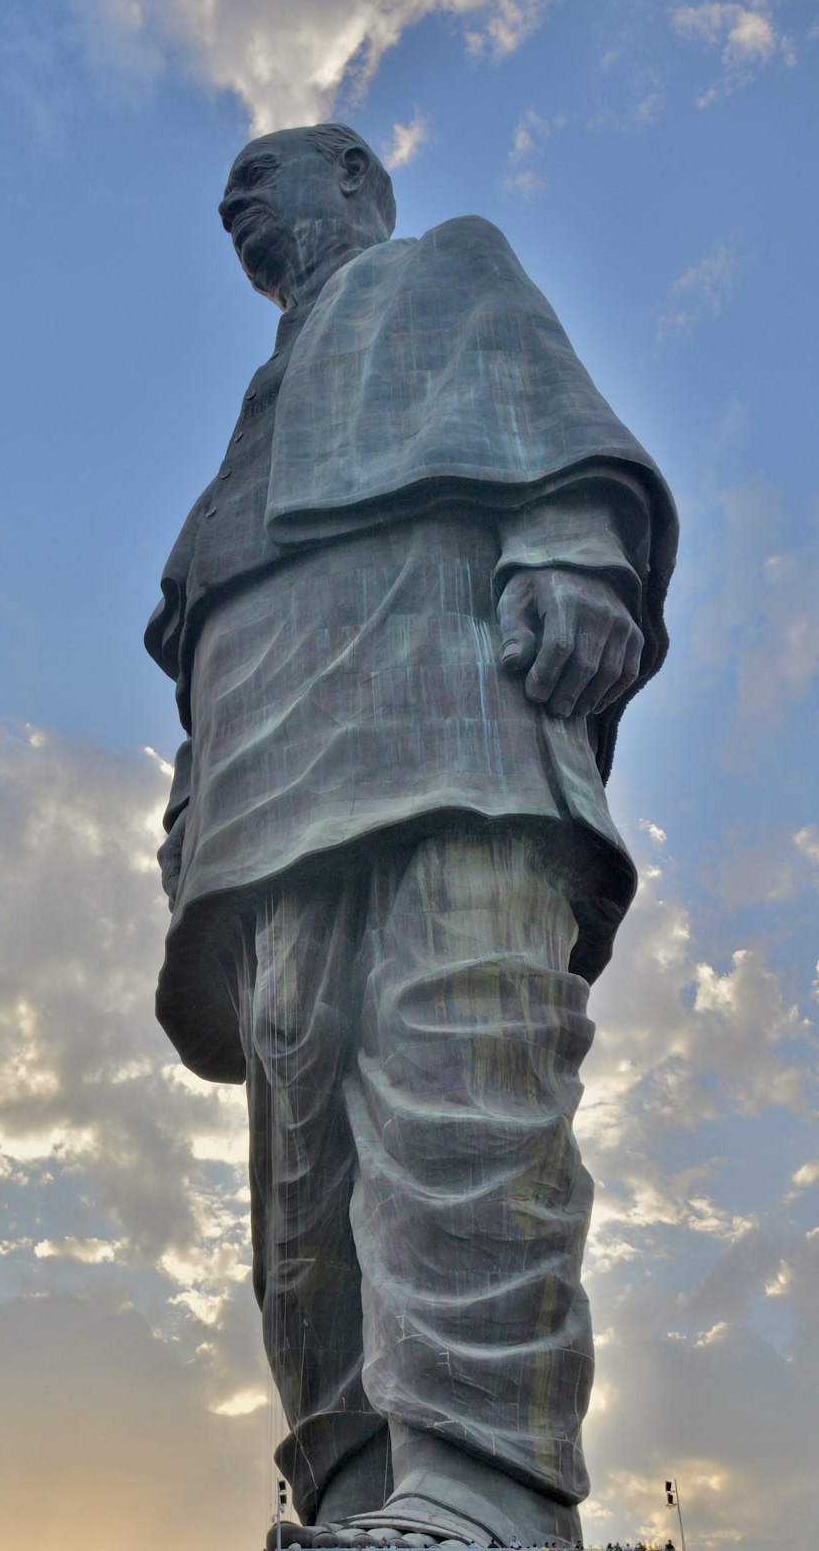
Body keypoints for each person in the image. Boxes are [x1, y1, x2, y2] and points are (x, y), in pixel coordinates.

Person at [145, 124, 677, 1549]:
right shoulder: (248, 417)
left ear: (362, 185)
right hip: (271, 778)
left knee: (458, 1049)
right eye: (225, 187)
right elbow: (196, 623)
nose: (236, 197)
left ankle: (486, 1479)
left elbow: (540, 408)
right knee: (303, 1146)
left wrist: (571, 540)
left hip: (448, 719)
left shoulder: (446, 270)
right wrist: (190, 811)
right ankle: (360, 1491)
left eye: (271, 171)